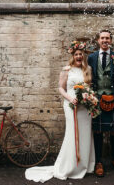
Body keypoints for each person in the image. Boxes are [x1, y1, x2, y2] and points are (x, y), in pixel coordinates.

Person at [25, 41, 95, 183]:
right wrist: (70, 99)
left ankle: (85, 165)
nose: (79, 56)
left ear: (84, 56)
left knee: (86, 134)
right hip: (71, 106)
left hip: (85, 108)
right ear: (72, 55)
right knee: (72, 134)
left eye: (81, 54)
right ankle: (70, 166)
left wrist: (90, 98)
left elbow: (89, 88)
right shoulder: (66, 69)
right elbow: (61, 88)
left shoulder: (88, 69)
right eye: (76, 54)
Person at [88, 29, 114, 177]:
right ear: (98, 40)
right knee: (97, 131)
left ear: (110, 41)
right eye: (102, 38)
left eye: (107, 38)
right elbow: (88, 78)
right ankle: (99, 162)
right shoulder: (91, 57)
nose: (105, 40)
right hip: (97, 99)